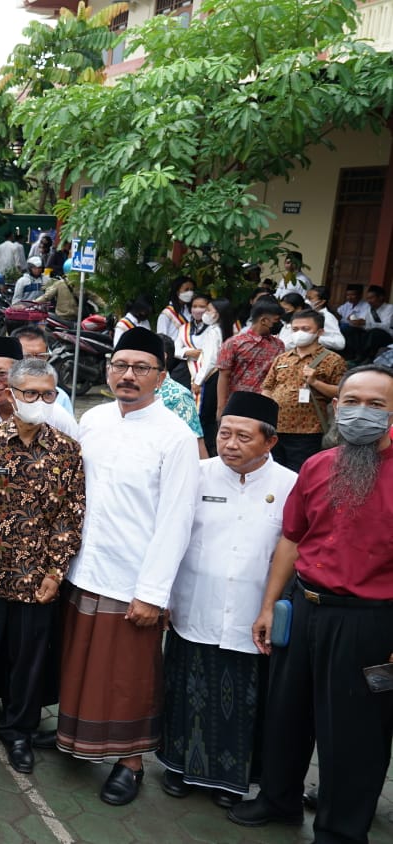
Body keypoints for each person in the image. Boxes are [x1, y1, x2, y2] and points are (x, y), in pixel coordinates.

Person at [228, 366, 393, 841]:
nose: (361, 412)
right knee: (285, 712)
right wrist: (268, 607)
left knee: (353, 733)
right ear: (335, 406)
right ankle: (278, 800)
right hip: (304, 608)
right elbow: (292, 540)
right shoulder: (318, 466)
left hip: (368, 622)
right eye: (352, 401)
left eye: (376, 405)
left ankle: (341, 829)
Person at [57, 327, 199, 806]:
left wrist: (153, 592)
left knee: (127, 675)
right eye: (120, 366)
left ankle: (130, 761)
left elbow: (177, 519)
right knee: (80, 662)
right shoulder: (94, 419)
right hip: (84, 566)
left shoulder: (175, 437)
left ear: (161, 377)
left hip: (133, 577)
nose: (128, 376)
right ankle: (74, 739)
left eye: (141, 368)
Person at [0, 357, 84, 774]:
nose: (37, 401)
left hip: (36, 579)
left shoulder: (66, 450)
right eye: (29, 393)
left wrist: (55, 572)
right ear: (12, 393)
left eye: (46, 394)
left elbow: (69, 515)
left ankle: (18, 731)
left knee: (29, 660)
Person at [155, 391, 293, 808]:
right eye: (225, 433)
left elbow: (290, 548)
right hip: (193, 602)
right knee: (186, 690)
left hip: (251, 610)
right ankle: (178, 768)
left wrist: (270, 606)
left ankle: (228, 781)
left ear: (270, 441)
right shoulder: (196, 474)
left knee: (242, 698)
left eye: (243, 437)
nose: (229, 444)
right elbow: (169, 535)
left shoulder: (291, 484)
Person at [259, 309, 346, 471]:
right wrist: (266, 415)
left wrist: (315, 382)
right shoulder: (283, 358)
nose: (299, 333)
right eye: (295, 329)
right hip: (275, 428)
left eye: (306, 329)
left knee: (300, 473)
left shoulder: (333, 360)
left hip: (307, 430)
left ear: (320, 332)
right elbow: (268, 387)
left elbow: (342, 393)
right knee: (273, 471)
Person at [215, 300, 287, 422]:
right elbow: (223, 376)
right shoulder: (234, 343)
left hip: (265, 403)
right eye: (276, 321)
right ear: (263, 320)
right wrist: (221, 408)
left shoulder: (279, 345)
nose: (279, 324)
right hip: (237, 404)